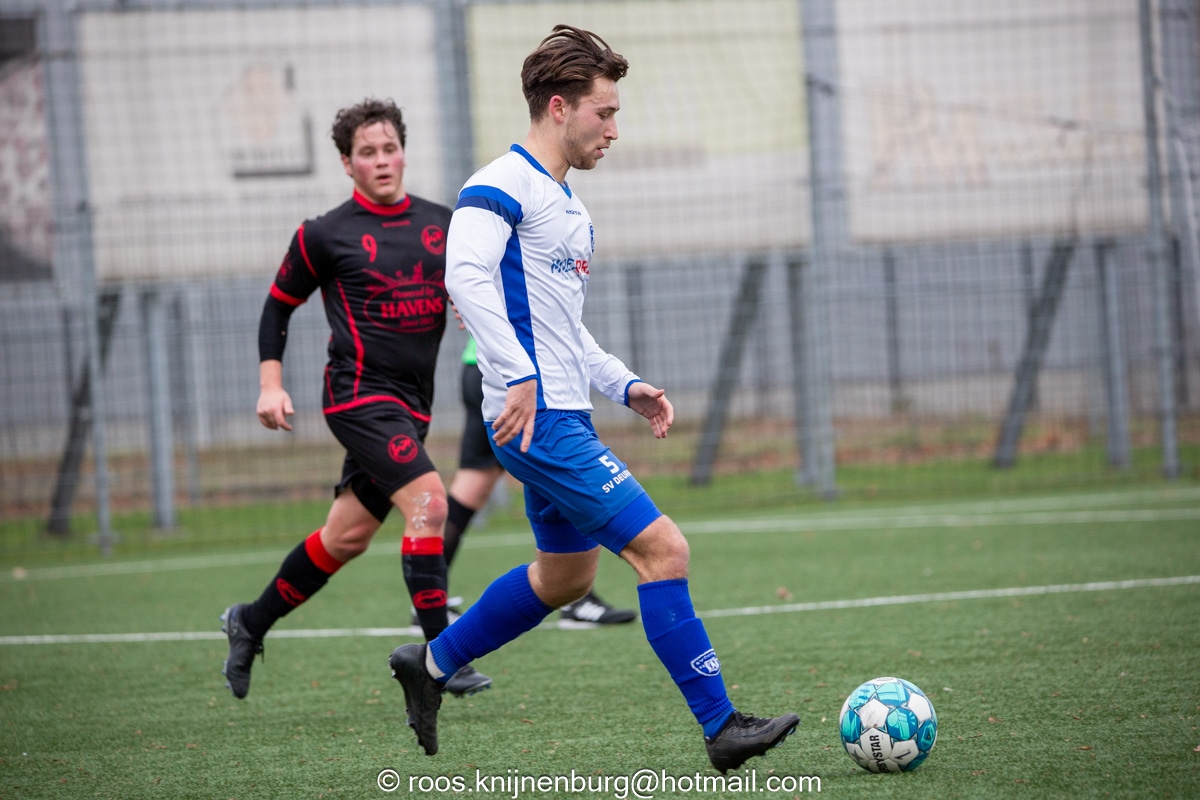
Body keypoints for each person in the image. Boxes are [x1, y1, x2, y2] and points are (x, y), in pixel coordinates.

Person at [388, 26, 798, 773]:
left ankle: (432, 663)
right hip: (537, 420)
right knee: (664, 550)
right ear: (559, 107)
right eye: (603, 113)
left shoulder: (568, 207)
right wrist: (516, 374)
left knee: (566, 577)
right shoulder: (497, 186)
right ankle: (722, 727)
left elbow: (565, 329)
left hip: (562, 412)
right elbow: (463, 278)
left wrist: (624, 384)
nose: (613, 129)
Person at [220, 98, 490, 702]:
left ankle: (249, 622)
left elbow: (472, 285)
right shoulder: (324, 234)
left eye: (390, 148)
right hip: (357, 398)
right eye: (367, 152)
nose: (382, 160)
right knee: (430, 502)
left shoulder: (443, 223)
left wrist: (472, 307)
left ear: (403, 153)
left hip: (412, 407)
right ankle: (441, 658)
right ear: (347, 163)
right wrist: (270, 383)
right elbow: (277, 307)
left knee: (345, 538)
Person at [442, 334, 637, 628]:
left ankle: (428, 600)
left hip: (484, 367)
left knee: (472, 484)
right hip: (516, 374)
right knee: (561, 474)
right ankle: (577, 601)